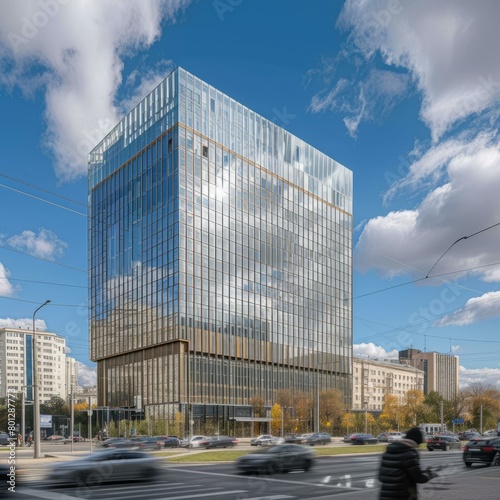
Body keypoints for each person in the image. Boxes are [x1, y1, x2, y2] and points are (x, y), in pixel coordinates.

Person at [378, 427, 438, 499]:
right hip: (402, 495)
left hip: (385, 496)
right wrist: (429, 474)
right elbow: (419, 478)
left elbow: (381, 477)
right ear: (416, 442)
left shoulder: (387, 453)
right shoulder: (409, 454)